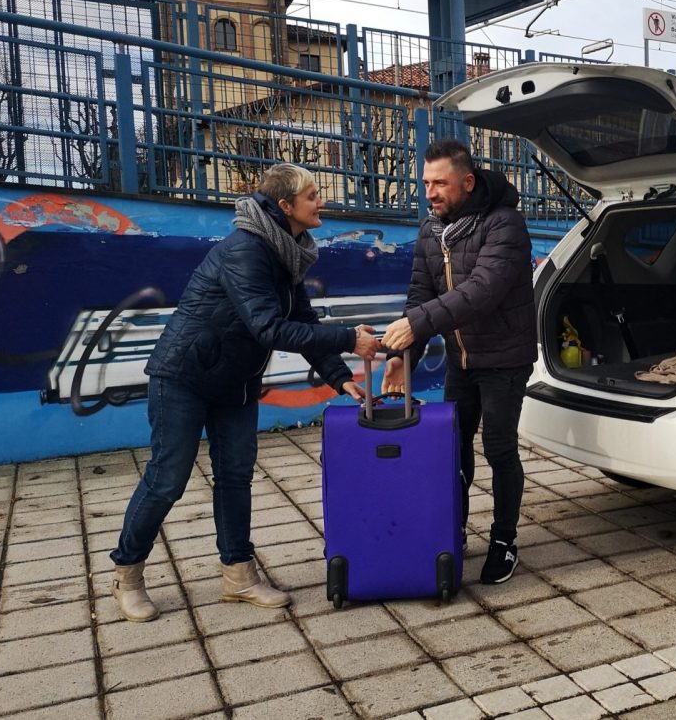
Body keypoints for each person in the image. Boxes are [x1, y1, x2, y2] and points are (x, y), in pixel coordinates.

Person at [110, 163, 378, 622]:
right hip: (184, 378)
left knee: (235, 475)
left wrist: (339, 375)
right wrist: (350, 339)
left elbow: (304, 322)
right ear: (285, 206)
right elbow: (269, 327)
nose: (322, 202)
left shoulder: (284, 252)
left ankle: (238, 575)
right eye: (313, 195)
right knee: (167, 478)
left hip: (234, 381)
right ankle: (127, 573)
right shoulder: (247, 251)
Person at [382, 139, 536, 585]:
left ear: (467, 182)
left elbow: (482, 292)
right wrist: (401, 358)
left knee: (499, 449)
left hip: (505, 356)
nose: (429, 192)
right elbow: (420, 295)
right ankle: (453, 531)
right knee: (453, 449)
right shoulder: (431, 231)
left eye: (440, 183)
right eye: (426, 182)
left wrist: (415, 325)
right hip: (461, 359)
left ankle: (504, 540)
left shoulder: (505, 225)